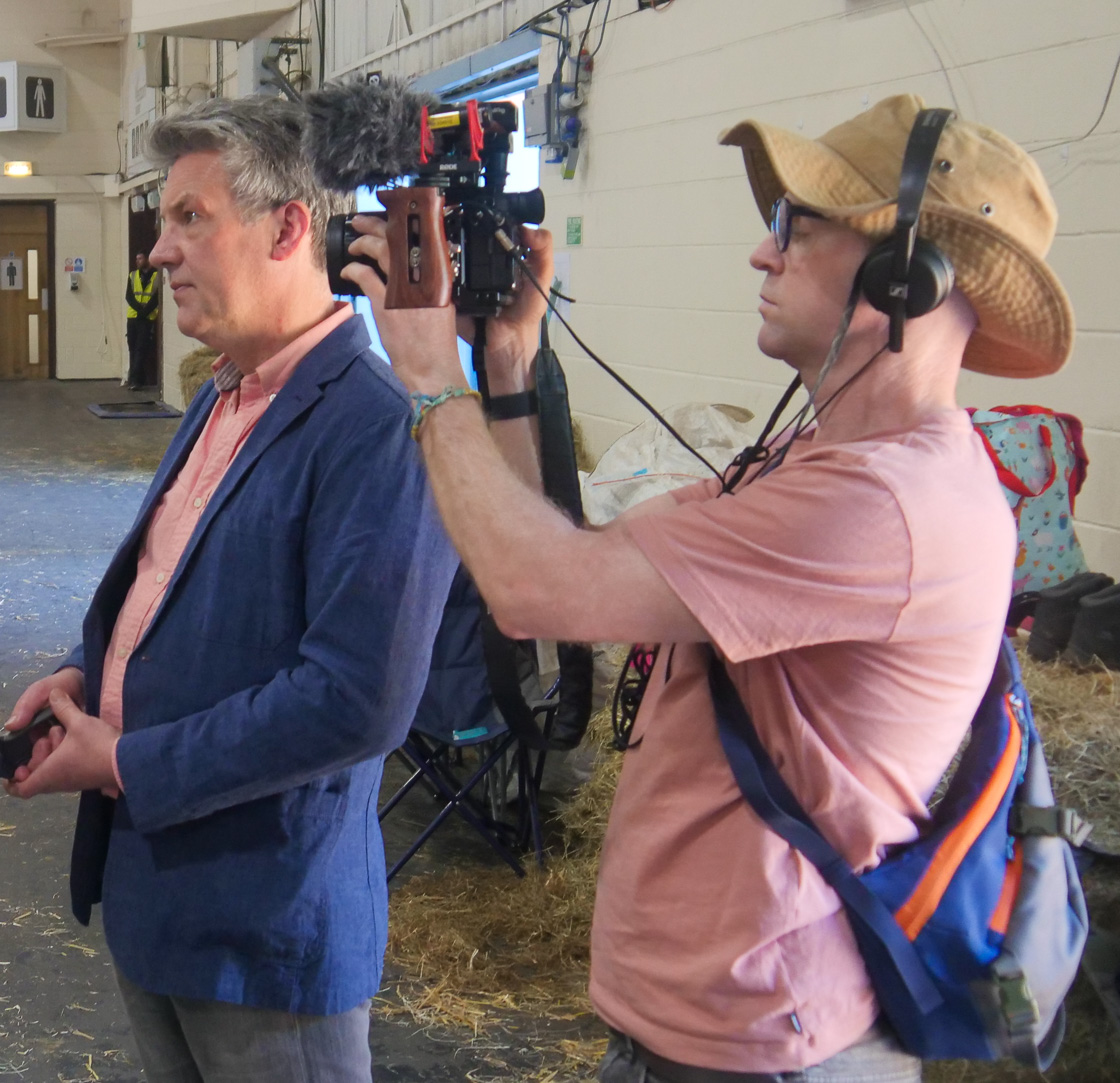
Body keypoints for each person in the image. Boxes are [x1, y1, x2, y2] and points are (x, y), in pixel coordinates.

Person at [344, 95, 1074, 1083]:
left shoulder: (884, 504)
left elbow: (529, 589)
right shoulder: (815, 459)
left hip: (760, 1045)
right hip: (710, 1024)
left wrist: (432, 375)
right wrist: (506, 363)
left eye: (795, 227)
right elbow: (573, 564)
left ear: (902, 277)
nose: (762, 254)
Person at [1, 96, 458, 1083]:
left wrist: (126, 761)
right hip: (161, 899)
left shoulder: (379, 425)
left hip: (265, 935)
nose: (158, 250)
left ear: (287, 228)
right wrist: (83, 671)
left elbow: (358, 698)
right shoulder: (224, 392)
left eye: (189, 218)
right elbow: (172, 586)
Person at [125, 251, 161, 389]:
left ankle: (135, 381)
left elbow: (156, 298)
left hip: (147, 318)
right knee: (132, 348)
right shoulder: (133, 275)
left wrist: (144, 312)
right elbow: (129, 296)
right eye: (136, 259)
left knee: (141, 348)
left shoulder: (157, 276)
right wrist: (140, 310)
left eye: (140, 258)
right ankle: (136, 379)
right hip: (133, 317)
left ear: (148, 259)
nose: (137, 261)